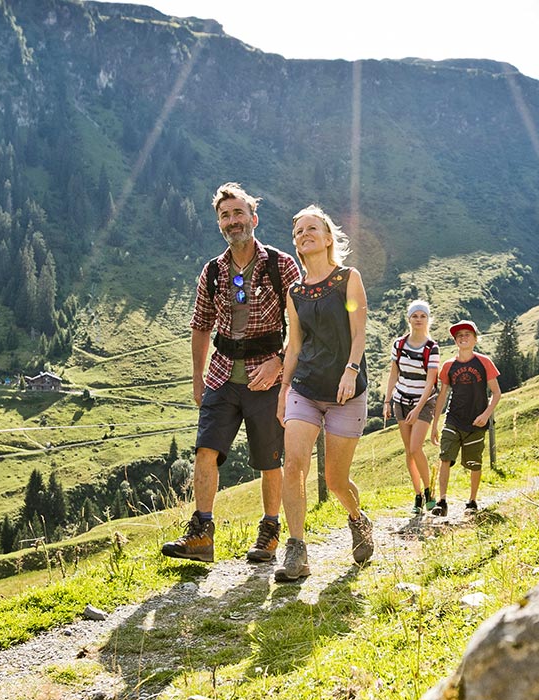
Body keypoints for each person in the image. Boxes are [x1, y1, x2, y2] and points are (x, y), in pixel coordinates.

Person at [162, 183, 304, 564]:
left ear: (253, 218)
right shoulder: (212, 271)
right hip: (222, 375)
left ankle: (270, 533)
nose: (232, 221)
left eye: (238, 213)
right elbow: (201, 325)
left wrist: (279, 363)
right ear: (219, 224)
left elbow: (302, 323)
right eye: (225, 216)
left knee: (270, 459)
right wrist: (197, 379)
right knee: (206, 451)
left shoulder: (281, 264)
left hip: (268, 378)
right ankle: (201, 535)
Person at [274, 205, 372, 582]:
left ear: (328, 238)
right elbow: (295, 347)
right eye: (298, 231)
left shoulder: (348, 279)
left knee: (334, 480)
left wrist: (351, 371)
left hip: (347, 391)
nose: (304, 234)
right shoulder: (295, 292)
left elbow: (359, 331)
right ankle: (296, 550)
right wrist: (284, 388)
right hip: (305, 388)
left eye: (311, 228)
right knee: (294, 464)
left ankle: (357, 518)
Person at [428, 320, 501, 517]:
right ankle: (442, 502)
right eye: (459, 335)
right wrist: (435, 424)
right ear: (455, 341)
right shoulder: (449, 366)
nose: (463, 337)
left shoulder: (484, 362)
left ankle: (472, 501)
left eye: (467, 334)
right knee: (445, 458)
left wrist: (486, 416)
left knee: (474, 463)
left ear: (475, 339)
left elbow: (496, 393)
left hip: (476, 423)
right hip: (453, 419)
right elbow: (442, 396)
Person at [382, 300, 441, 515]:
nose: (418, 320)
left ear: (428, 319)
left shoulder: (431, 348)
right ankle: (417, 495)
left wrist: (418, 408)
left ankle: (429, 492)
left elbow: (430, 381)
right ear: (409, 319)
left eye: (422, 316)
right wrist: (387, 401)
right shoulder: (399, 344)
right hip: (401, 400)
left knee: (416, 447)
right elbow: (393, 374)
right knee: (409, 451)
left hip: (423, 402)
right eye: (415, 316)